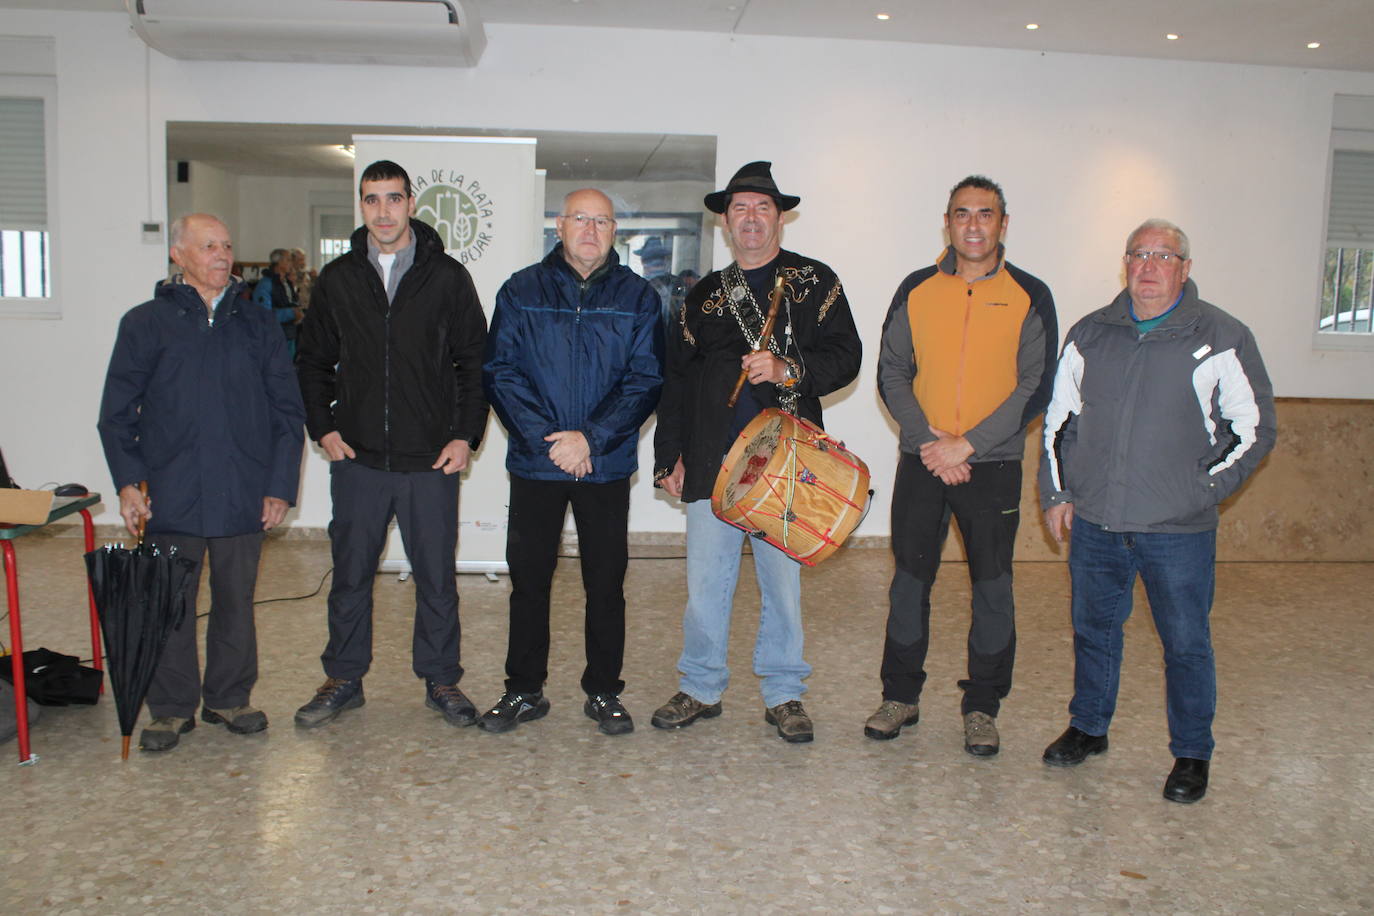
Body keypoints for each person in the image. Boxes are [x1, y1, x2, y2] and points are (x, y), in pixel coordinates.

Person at [1039, 218, 1276, 803]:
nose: (1148, 266)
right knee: (1094, 632)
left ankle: (1192, 753)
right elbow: (1059, 422)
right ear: (1125, 264)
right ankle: (1089, 728)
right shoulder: (1091, 333)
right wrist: (1058, 492)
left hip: (1178, 531)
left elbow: (1253, 429)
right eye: (1138, 254)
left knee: (1186, 643)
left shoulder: (1221, 335)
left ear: (1185, 268)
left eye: (1163, 256)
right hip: (1097, 522)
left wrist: (1201, 490)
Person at [651, 161, 862, 743]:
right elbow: (675, 381)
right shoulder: (701, 296)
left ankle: (784, 692)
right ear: (725, 221)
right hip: (711, 461)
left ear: (780, 217)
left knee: (783, 589)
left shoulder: (816, 282)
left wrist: (790, 367)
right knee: (705, 589)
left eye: (762, 207)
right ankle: (699, 686)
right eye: (739, 207)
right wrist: (671, 457)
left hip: (789, 463)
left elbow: (848, 356)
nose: (750, 217)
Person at [97, 213, 305, 752]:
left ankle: (229, 698)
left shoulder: (257, 325)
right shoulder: (144, 323)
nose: (222, 255)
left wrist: (279, 486)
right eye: (208, 245)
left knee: (236, 599)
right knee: (170, 602)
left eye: (227, 245)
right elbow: (116, 415)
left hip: (242, 490)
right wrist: (128, 484)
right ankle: (170, 710)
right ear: (179, 255)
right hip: (171, 491)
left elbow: (287, 412)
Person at [295, 160, 489, 729]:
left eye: (394, 199)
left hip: (429, 457)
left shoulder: (447, 277)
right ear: (362, 206)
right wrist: (323, 428)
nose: (383, 211)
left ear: (411, 204)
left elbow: (475, 364)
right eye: (372, 200)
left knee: (436, 576)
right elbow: (310, 363)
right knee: (350, 573)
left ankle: (442, 679)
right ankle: (344, 678)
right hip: (357, 457)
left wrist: (465, 435)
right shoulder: (337, 280)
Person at [868, 176, 1058, 757]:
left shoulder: (1030, 294)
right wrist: (931, 442)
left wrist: (968, 444)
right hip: (923, 461)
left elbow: (1036, 386)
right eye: (961, 214)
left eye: (985, 214)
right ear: (946, 222)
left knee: (993, 588)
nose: (973, 225)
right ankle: (901, 696)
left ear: (1003, 224)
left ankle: (982, 707)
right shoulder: (917, 288)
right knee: (908, 583)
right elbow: (892, 372)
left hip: (992, 465)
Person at [480, 189, 663, 736]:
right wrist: (551, 441)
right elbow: (501, 372)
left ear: (614, 231)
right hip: (537, 465)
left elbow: (647, 378)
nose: (590, 229)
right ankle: (523, 690)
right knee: (529, 580)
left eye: (602, 220)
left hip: (603, 465)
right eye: (580, 219)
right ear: (559, 226)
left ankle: (604, 690)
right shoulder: (520, 290)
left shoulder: (638, 297)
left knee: (605, 582)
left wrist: (591, 439)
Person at [253, 247, 303, 356]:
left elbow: (291, 303)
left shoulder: (286, 283)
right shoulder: (265, 285)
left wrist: (298, 311)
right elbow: (263, 315)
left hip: (289, 335)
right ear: (279, 263)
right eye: (288, 260)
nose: (292, 263)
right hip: (274, 340)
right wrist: (291, 313)